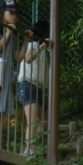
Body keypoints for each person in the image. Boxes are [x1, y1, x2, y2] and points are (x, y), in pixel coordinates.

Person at [0, 0, 29, 148]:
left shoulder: (14, 35)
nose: (14, 16)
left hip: (5, 76)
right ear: (1, 14)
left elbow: (19, 57)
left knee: (9, 112)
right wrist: (7, 33)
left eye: (16, 13)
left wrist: (26, 40)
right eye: (11, 13)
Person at [16, 20, 53, 156]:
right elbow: (28, 59)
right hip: (28, 85)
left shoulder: (43, 49)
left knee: (43, 124)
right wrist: (43, 45)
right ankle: (29, 150)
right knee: (32, 122)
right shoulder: (33, 44)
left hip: (38, 88)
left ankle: (28, 149)